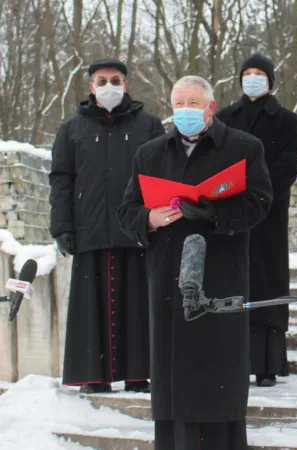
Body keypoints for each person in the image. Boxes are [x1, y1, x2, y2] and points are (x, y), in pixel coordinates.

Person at [118, 75, 273, 450]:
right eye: (178, 104)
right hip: (168, 273)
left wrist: (213, 213)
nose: (184, 110)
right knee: (174, 376)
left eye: (192, 103)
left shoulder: (243, 147)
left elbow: (260, 202)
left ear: (210, 107)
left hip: (219, 272)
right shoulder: (150, 153)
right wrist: (148, 219)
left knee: (216, 368)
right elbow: (126, 211)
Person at [49, 58, 164, 394]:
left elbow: (162, 176)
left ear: (126, 84)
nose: (109, 86)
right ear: (91, 86)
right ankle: (93, 375)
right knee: (91, 309)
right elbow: (62, 180)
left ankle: (138, 374)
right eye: (102, 81)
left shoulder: (149, 125)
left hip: (137, 230)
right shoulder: (72, 128)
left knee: (139, 306)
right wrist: (62, 227)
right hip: (90, 230)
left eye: (115, 80)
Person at [217, 53, 297, 387]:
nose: (252, 78)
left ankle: (267, 363)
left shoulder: (287, 121)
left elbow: (287, 167)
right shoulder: (225, 118)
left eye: (259, 73)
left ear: (270, 80)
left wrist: (257, 191)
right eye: (247, 73)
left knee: (267, 280)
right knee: (233, 280)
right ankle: (233, 357)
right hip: (231, 212)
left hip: (268, 213)